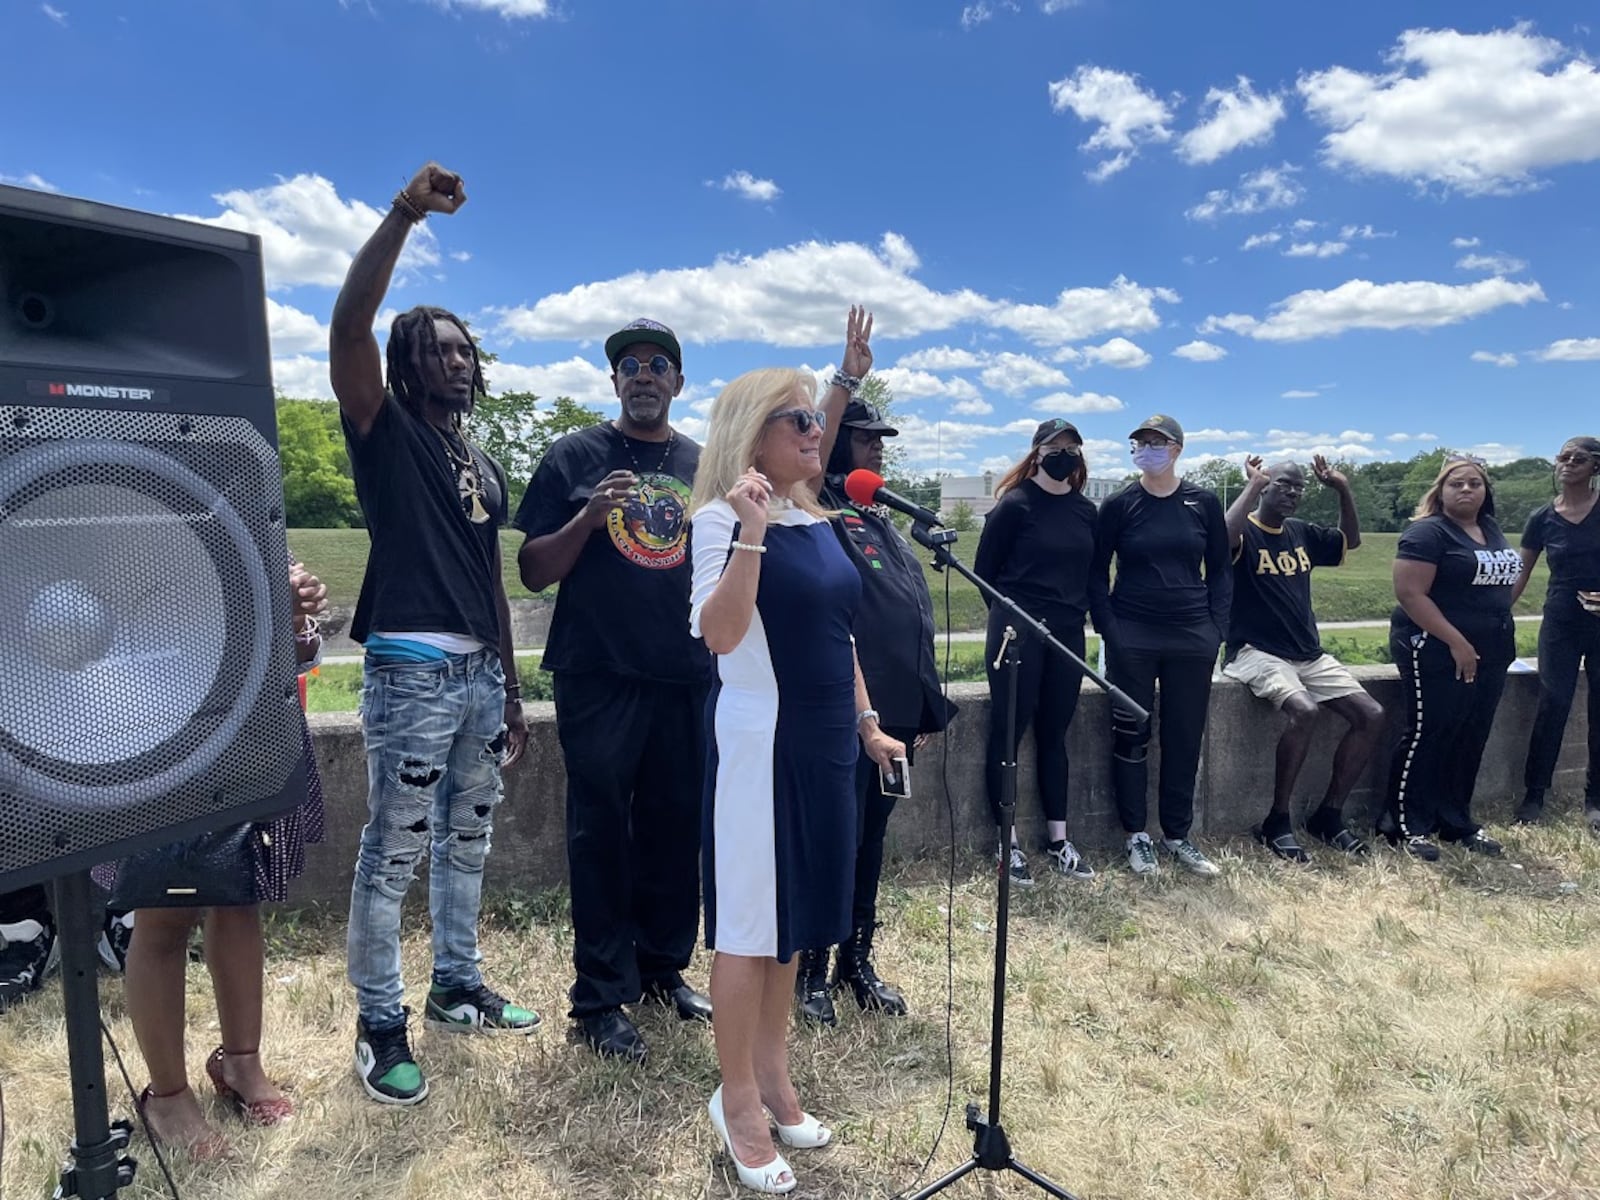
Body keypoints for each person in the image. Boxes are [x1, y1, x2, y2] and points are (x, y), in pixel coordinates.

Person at [330, 162, 536, 1108]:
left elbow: (487, 574)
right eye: (438, 349)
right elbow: (349, 329)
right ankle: (381, 1027)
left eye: (464, 350)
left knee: (467, 842)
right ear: (409, 361)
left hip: (479, 678)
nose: (456, 360)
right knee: (394, 852)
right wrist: (405, 213)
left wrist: (511, 685)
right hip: (409, 673)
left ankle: (457, 986)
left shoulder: (479, 459)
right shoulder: (384, 428)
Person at [690, 367, 906, 1194]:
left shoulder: (814, 515)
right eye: (797, 420)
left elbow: (839, 635)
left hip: (823, 740)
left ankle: (775, 1079)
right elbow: (718, 633)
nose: (817, 431)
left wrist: (866, 723)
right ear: (751, 431)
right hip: (759, 740)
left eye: (818, 419)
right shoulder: (719, 519)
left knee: (795, 921)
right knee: (750, 925)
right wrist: (747, 532)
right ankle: (736, 1100)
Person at [515, 317, 712, 1063]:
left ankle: (663, 970)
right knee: (601, 837)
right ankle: (599, 999)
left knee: (673, 831)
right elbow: (533, 570)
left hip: (685, 674)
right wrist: (589, 518)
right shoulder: (575, 455)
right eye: (630, 364)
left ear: (678, 382)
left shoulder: (702, 462)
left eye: (659, 363)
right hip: (598, 675)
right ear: (615, 381)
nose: (644, 375)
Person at [106, 562, 329, 1158]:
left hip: (249, 731)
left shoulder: (245, 516)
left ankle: (241, 1063)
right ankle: (169, 1097)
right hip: (155, 728)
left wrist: (295, 621)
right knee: (163, 911)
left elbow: (296, 662)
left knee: (240, 896)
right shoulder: (129, 536)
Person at [799, 318, 956, 1025]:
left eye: (880, 442)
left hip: (891, 719)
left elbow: (907, 619)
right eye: (866, 439)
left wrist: (921, 709)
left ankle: (856, 959)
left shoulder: (881, 518)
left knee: (870, 839)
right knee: (828, 838)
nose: (876, 452)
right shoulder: (814, 510)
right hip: (836, 713)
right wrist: (847, 378)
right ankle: (810, 972)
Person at [1223, 456, 1386, 860]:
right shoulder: (1246, 533)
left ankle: (1329, 816)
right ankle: (1277, 820)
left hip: (1308, 654)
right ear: (1264, 486)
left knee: (1372, 715)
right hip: (1255, 651)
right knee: (1305, 711)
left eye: (1298, 487)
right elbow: (1222, 536)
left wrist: (1342, 488)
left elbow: (1350, 541)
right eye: (1283, 485)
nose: (1292, 493)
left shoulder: (1301, 534)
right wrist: (1251, 485)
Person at [1091, 414, 1231, 877]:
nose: (1147, 449)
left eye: (1157, 442)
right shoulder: (1118, 505)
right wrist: (1112, 631)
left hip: (1192, 634)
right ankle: (1136, 835)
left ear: (1176, 449)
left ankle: (1178, 834)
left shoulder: (1203, 503)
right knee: (1131, 734)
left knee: (1184, 736)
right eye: (1140, 442)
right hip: (1133, 630)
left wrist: (1216, 629)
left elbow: (1220, 571)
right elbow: (1096, 573)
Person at [971, 419, 1099, 887]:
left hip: (1067, 632)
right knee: (1009, 731)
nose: (1064, 454)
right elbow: (985, 572)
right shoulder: (1015, 505)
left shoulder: (1087, 512)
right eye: (1055, 446)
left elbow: (1091, 575)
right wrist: (1011, 620)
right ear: (1037, 452)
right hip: (1017, 633)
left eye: (1072, 447)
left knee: (1054, 733)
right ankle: (1007, 842)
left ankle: (1058, 839)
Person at [1378, 456, 1520, 859]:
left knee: (1471, 734)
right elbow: (1410, 595)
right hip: (1435, 647)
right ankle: (1405, 824)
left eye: (1474, 483)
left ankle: (1456, 821)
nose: (1466, 490)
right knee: (1430, 731)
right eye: (1456, 484)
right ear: (1440, 491)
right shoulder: (1427, 533)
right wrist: (1457, 642)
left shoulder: (1489, 529)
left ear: (1486, 490)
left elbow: (1501, 583)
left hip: (1491, 650)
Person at [1514, 436, 1600, 828]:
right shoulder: (1542, 518)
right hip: (1561, 620)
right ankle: (1534, 796)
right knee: (1554, 702)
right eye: (1562, 457)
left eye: (1577, 458)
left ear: (1595, 466)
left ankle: (1594, 799)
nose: (1566, 463)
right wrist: (1493, 616)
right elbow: (1520, 575)